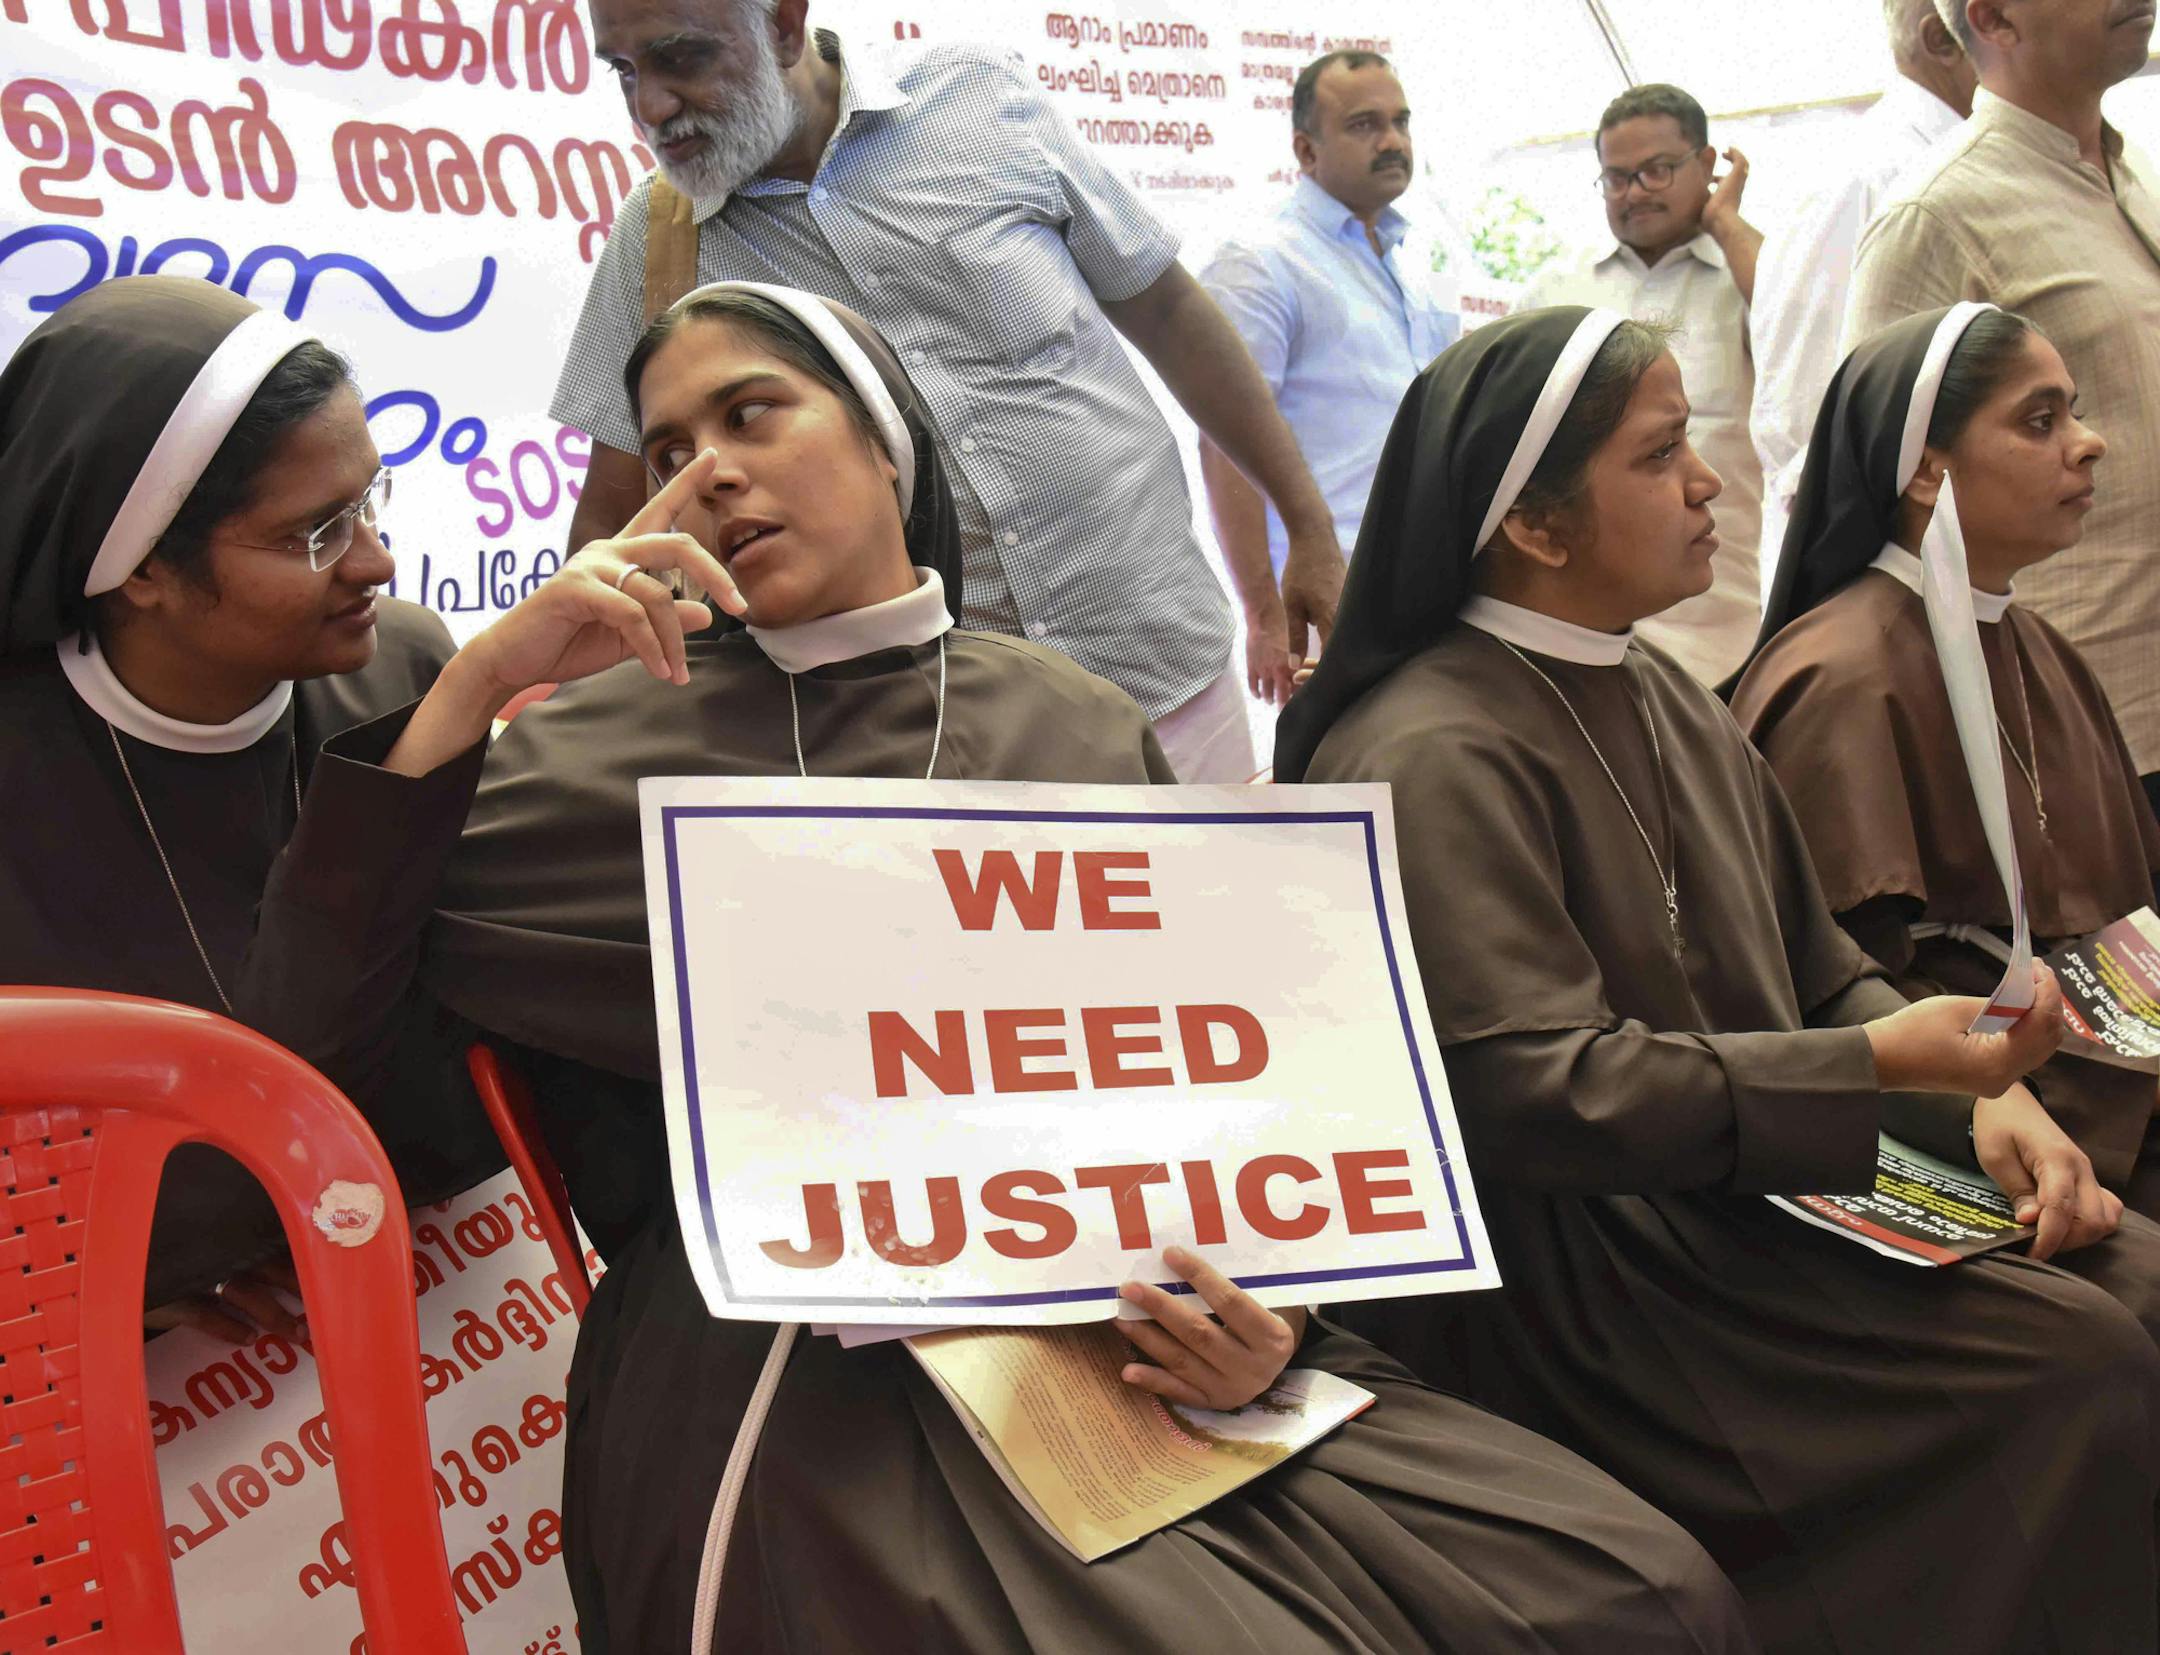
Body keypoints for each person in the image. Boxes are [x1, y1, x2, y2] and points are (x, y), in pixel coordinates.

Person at [285, 282, 1753, 1652]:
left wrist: (1273, 1310)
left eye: (753, 414)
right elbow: (320, 1035)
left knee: (1630, 1585)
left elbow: (1219, 1100)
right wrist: (477, 685)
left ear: (883, 438)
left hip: (1118, 1332)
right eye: (669, 447)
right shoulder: (588, 753)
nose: (709, 471)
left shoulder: (1074, 720)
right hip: (794, 1372)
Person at [1276, 305, 2160, 1654]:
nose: (1709, 483)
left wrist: (1986, 1094)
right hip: (1603, 1279)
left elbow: (1827, 972)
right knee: (2070, 1367)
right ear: (1537, 523)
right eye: (1662, 453)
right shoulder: (1433, 745)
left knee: (2137, 1278)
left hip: (1760, 1183)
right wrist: (1883, 1069)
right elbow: (1539, 1090)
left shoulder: (1668, 691)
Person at [0, 276, 742, 1339]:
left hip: (447, 1305)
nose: (376, 560)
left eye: (371, 501)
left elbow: (464, 1056)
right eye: (314, 534)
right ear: (144, 569)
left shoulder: (403, 664)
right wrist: (143, 1270)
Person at [552, 0, 1349, 781]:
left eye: (683, 56)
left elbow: (1169, 312)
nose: (650, 105)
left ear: (785, 24)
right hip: (931, 748)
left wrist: (1307, 525)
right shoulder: (658, 246)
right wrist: (590, 742)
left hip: (1164, 672)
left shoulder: (979, 100)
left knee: (1207, 915)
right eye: (623, 71)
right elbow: (615, 517)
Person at [1733, 303, 2160, 1219]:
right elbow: (1836, 987)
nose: (2089, 445)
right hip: (1980, 1116)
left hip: (2112, 1078)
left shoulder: (2043, 645)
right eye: (2040, 421)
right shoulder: (1843, 675)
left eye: (2074, 413)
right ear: (1929, 468)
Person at [1846, 0, 2160, 808]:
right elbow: (1882, 487)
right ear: (1993, 18)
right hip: (2084, 734)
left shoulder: (2129, 182)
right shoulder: (1936, 216)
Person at [1197, 49, 1458, 705]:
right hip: (1330, 602)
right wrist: (1262, 613)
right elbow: (1223, 444)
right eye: (1365, 124)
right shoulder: (1261, 263)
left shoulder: (1409, 255)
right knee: (1356, 790)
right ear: (1306, 151)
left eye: (1401, 121)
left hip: (1433, 588)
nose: (1393, 140)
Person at [1524, 84, 1763, 687]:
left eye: (1656, 172)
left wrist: (1726, 223)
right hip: (1577, 637)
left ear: (1708, 167)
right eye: (1616, 178)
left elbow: (1812, 346)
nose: (1633, 194)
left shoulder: (1750, 281)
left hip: (1722, 639)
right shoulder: (1554, 292)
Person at [1747, 0, 1975, 596]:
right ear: (1943, 39)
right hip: (1890, 579)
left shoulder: (1985, 163)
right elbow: (1804, 426)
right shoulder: (1869, 176)